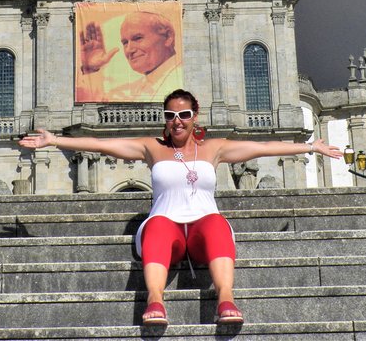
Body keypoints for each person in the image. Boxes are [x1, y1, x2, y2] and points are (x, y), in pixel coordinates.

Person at [20, 88, 343, 326]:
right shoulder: (151, 148)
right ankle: (155, 301)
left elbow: (260, 148)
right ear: (165, 119)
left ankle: (226, 298)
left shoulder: (214, 148)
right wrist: (54, 141)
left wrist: (310, 145)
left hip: (203, 227)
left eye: (184, 115)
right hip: (166, 226)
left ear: (194, 117)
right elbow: (102, 144)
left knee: (216, 223)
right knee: (158, 224)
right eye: (171, 115)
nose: (177, 121)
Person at [78, 11, 183, 102]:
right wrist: (89, 69)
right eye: (125, 42)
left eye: (137, 38)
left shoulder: (183, 76)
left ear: (168, 37)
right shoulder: (131, 89)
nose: (129, 50)